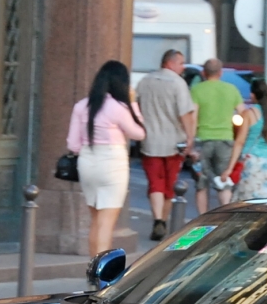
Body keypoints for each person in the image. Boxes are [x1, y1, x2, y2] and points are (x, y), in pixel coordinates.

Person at [66, 60, 146, 257]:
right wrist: (133, 103)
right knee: (106, 223)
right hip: (112, 163)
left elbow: (73, 145)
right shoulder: (118, 108)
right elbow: (139, 133)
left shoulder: (82, 106)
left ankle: (93, 270)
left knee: (96, 221)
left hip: (87, 162)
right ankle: (101, 278)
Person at [136, 49, 196, 240]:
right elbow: (185, 113)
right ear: (170, 63)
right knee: (170, 183)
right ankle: (165, 219)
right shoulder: (179, 84)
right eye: (181, 63)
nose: (183, 67)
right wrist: (190, 138)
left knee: (155, 183)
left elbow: (135, 105)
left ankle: (158, 220)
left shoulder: (145, 81)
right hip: (174, 142)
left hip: (150, 140)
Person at [188, 58, 246, 213]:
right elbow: (243, 113)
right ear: (221, 73)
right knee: (224, 182)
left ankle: (202, 220)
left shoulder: (196, 90)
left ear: (203, 73)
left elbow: (193, 118)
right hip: (225, 140)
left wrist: (190, 143)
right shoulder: (231, 90)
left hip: (203, 140)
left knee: (202, 184)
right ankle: (224, 218)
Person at [225, 78, 267, 202]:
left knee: (246, 200)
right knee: (266, 200)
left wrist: (230, 168)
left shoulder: (249, 113)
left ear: (252, 95)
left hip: (252, 162)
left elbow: (239, 142)